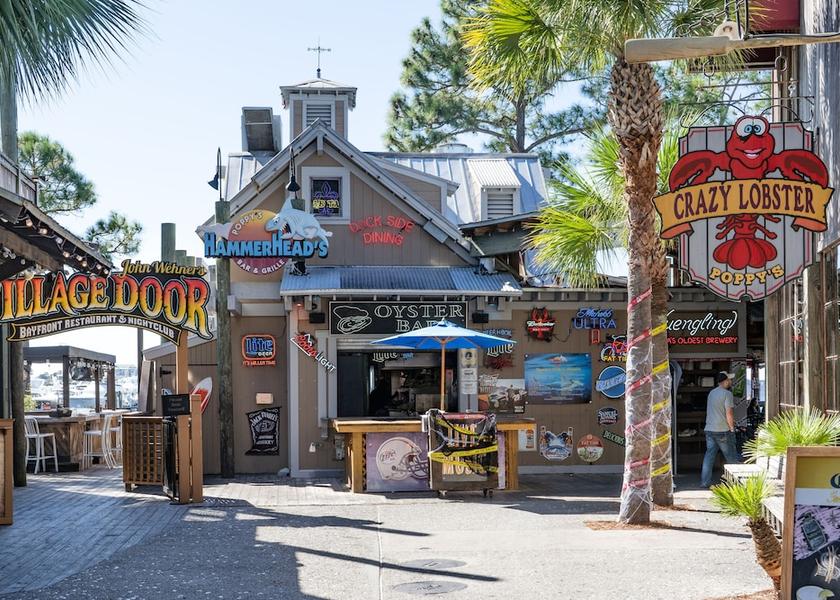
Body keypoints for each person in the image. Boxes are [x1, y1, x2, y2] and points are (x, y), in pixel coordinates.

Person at [701, 371, 741, 488]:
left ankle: (704, 482)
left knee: (709, 456)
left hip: (709, 429)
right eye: (730, 379)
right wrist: (732, 428)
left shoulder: (711, 393)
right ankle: (735, 484)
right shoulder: (727, 394)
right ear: (725, 381)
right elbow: (729, 413)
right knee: (731, 457)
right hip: (722, 430)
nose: (731, 381)